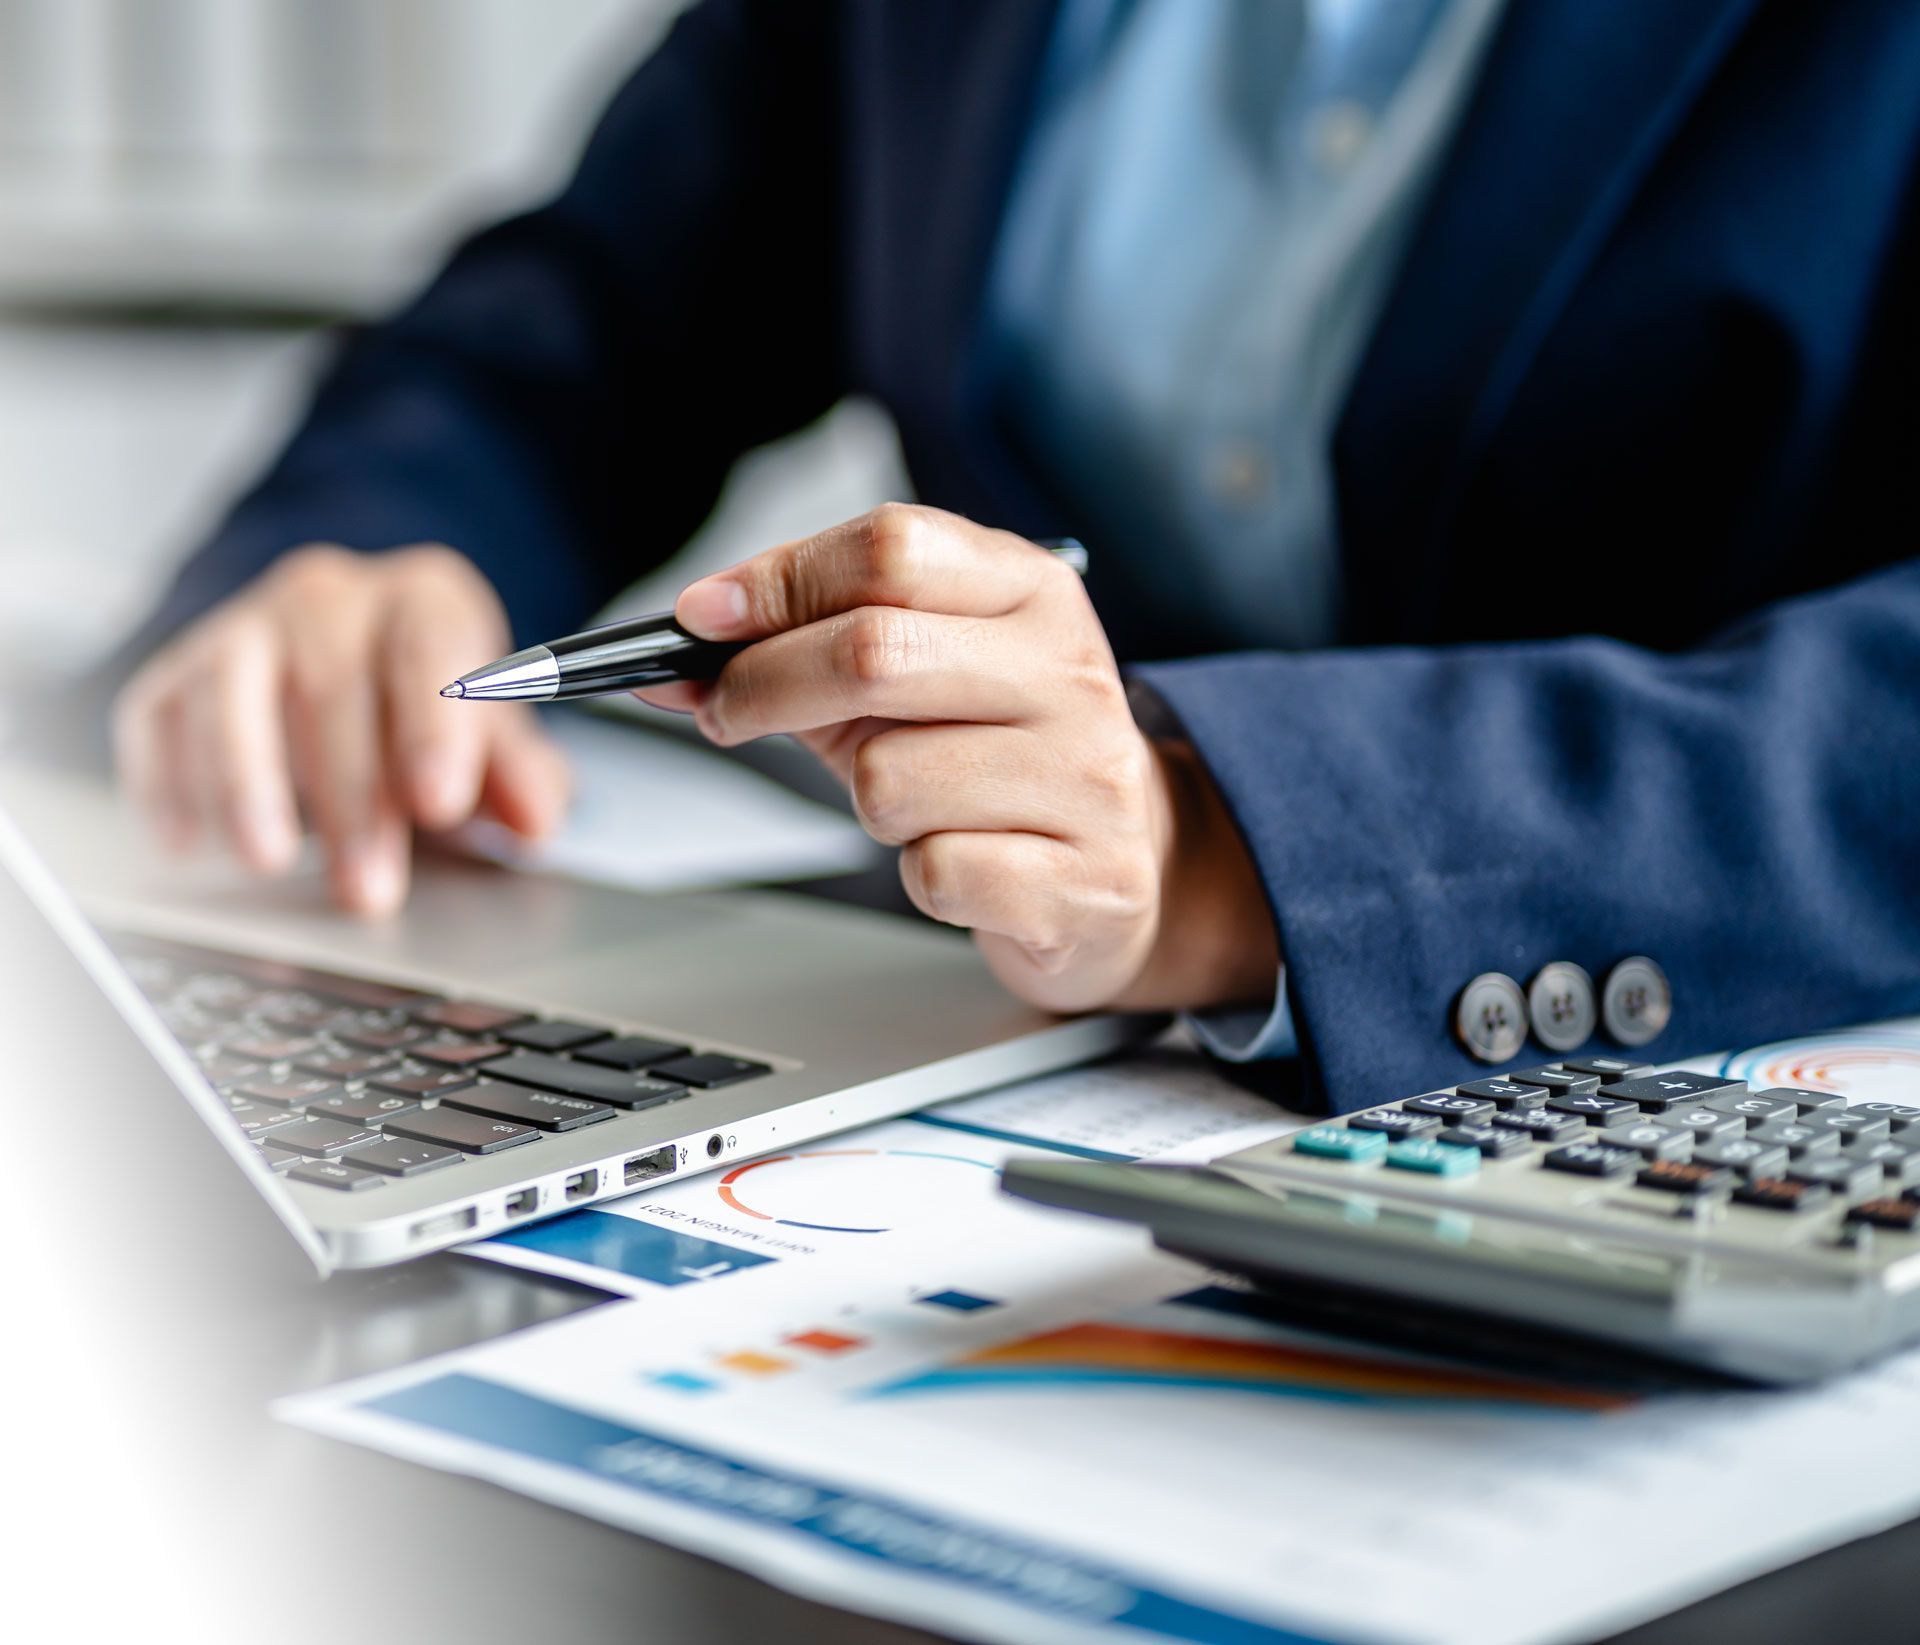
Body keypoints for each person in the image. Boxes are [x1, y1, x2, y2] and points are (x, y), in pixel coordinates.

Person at [107, 0, 1920, 1113]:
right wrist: (362, 559)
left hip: (1677, 1120)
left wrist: (1249, 846)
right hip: (985, 1088)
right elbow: (589, 312)